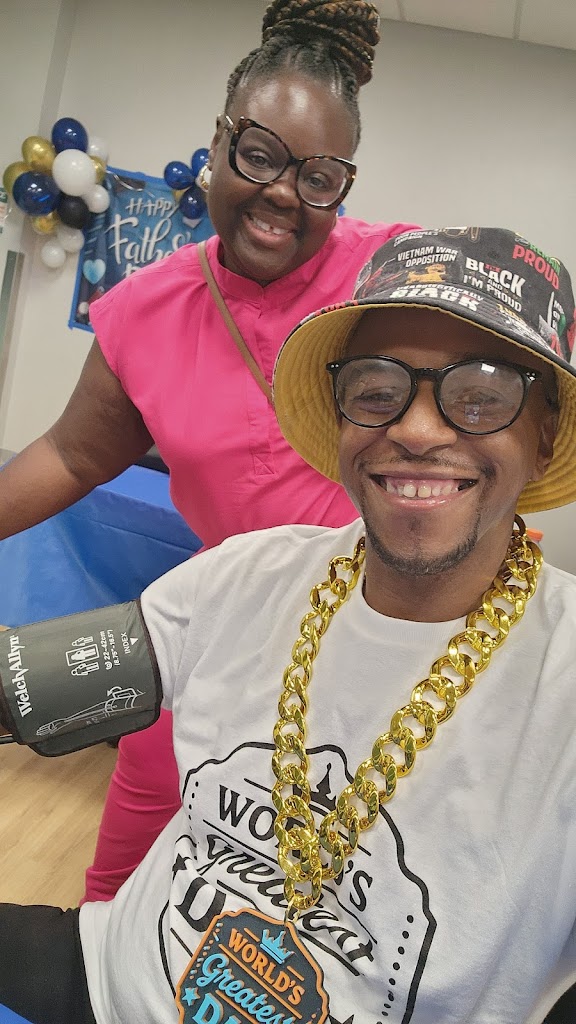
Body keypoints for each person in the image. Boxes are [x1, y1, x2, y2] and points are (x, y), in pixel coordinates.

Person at [1, 225, 576, 1024]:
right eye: (376, 388)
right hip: (108, 980)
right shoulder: (249, 576)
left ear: (544, 435)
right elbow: (26, 688)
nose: (417, 429)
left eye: (483, 393)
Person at [0, 0, 419, 902]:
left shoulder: (393, 278)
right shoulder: (148, 309)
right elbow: (74, 455)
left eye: (319, 177)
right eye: (260, 154)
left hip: (373, 655)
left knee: (318, 903)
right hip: (214, 641)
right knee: (121, 879)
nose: (283, 192)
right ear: (220, 141)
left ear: (343, 183)